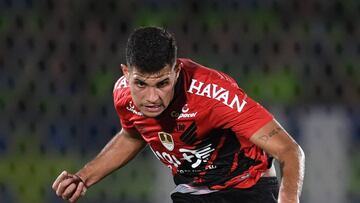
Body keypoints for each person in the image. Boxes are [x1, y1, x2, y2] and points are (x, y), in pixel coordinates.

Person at [52, 26, 305, 203]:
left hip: (247, 188)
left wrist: (288, 199)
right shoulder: (123, 95)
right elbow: (132, 136)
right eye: (141, 84)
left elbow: (289, 151)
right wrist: (84, 177)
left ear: (175, 70)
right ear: (126, 73)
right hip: (192, 192)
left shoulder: (214, 94)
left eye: (162, 83)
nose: (152, 98)